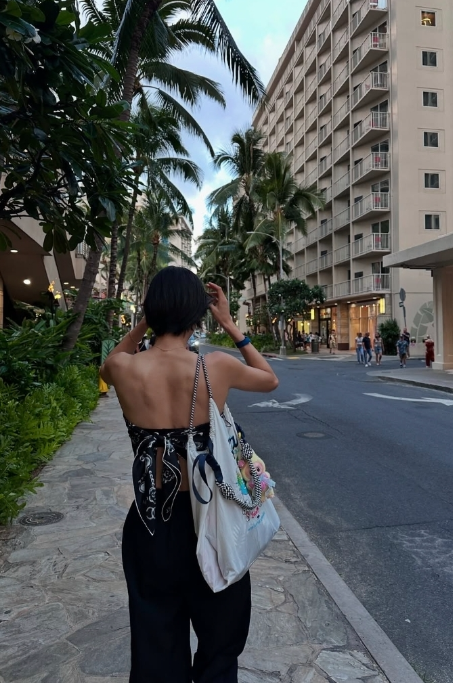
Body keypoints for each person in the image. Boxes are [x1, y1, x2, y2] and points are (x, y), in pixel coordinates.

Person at [100, 268, 279, 683]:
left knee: (156, 642)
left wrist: (144, 322)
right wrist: (230, 325)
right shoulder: (215, 366)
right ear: (197, 314)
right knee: (221, 639)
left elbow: (108, 365)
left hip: (150, 522)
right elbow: (270, 379)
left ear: (152, 310)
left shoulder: (124, 368)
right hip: (211, 521)